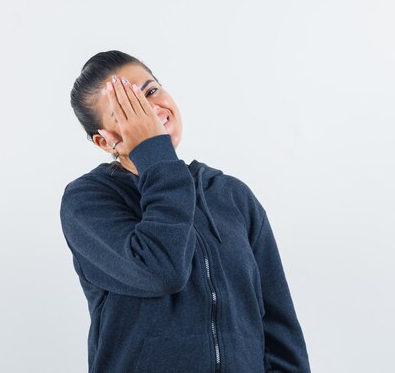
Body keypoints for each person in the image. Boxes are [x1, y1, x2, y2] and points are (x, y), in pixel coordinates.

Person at [59, 50, 311, 373]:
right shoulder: (88, 202)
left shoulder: (231, 195)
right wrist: (154, 155)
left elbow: (280, 331)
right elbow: (163, 269)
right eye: (127, 108)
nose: (150, 111)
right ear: (105, 141)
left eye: (151, 91)